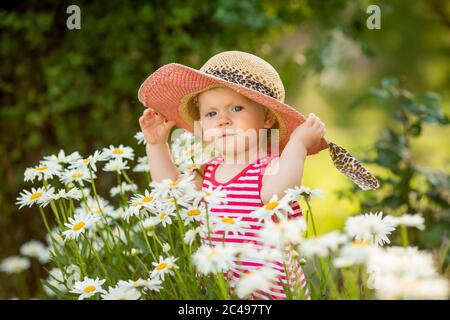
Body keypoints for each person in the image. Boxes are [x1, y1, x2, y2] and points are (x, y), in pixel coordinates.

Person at [137, 51, 370, 299]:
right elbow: (171, 193)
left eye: (236, 108)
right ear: (202, 126)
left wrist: (298, 144)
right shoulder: (208, 173)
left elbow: (277, 194)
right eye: (211, 114)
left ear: (267, 117)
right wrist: (156, 146)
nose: (223, 120)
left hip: (271, 292)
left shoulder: (268, 168)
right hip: (220, 292)